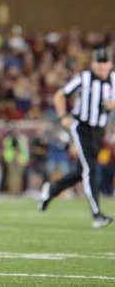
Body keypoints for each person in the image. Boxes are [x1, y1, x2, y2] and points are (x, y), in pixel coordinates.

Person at [39, 47, 114, 229]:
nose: (103, 67)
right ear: (93, 63)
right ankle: (97, 215)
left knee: (82, 172)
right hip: (81, 128)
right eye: (100, 63)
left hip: (99, 130)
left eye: (106, 63)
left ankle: (52, 189)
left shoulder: (113, 79)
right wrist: (63, 117)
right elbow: (59, 95)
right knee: (91, 169)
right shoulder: (84, 78)